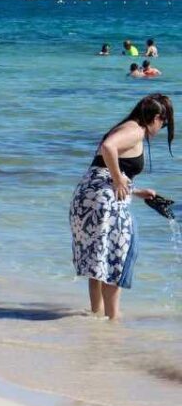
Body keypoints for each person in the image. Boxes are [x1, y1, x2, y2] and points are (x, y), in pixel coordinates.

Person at [69, 94, 173, 320]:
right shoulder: (136, 130)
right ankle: (113, 320)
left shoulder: (124, 126)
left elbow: (100, 170)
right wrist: (118, 180)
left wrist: (135, 191)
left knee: (99, 258)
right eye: (163, 124)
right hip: (102, 200)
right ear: (156, 118)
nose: (160, 129)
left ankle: (95, 315)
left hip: (87, 198)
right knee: (119, 257)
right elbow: (108, 148)